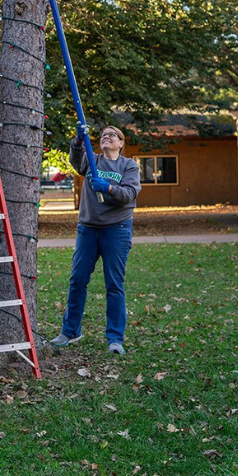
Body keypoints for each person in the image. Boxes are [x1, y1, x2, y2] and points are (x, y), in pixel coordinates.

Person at [50, 125, 141, 354]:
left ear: (121, 143)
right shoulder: (93, 160)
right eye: (103, 135)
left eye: (112, 135)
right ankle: (70, 331)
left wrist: (109, 188)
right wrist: (78, 142)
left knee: (114, 284)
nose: (106, 137)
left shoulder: (128, 166)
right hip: (88, 229)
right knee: (78, 280)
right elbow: (76, 160)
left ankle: (115, 339)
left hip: (117, 229)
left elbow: (129, 194)